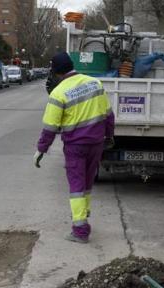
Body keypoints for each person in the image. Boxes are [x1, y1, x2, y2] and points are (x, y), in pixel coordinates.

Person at [34, 52, 115, 244]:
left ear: (55, 73)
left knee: (77, 187)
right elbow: (109, 115)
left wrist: (41, 150)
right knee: (87, 183)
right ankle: (84, 213)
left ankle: (80, 230)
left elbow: (50, 128)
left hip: (75, 147)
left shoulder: (58, 93)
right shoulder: (95, 83)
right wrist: (109, 136)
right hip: (96, 143)